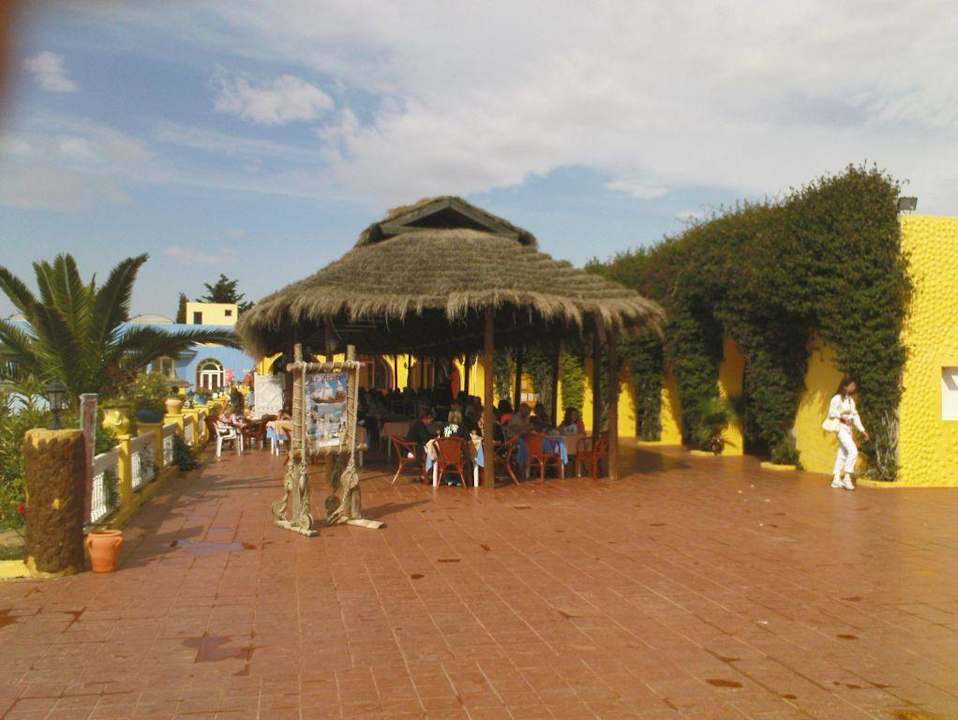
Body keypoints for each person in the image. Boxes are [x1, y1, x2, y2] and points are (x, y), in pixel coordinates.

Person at [826, 376, 868, 491]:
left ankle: (836, 479)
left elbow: (855, 415)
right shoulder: (836, 398)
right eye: (852, 386)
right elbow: (831, 413)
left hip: (848, 429)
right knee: (853, 451)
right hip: (840, 428)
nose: (854, 388)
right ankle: (847, 477)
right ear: (845, 386)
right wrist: (842, 417)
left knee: (843, 453)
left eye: (854, 386)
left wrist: (862, 430)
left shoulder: (850, 400)